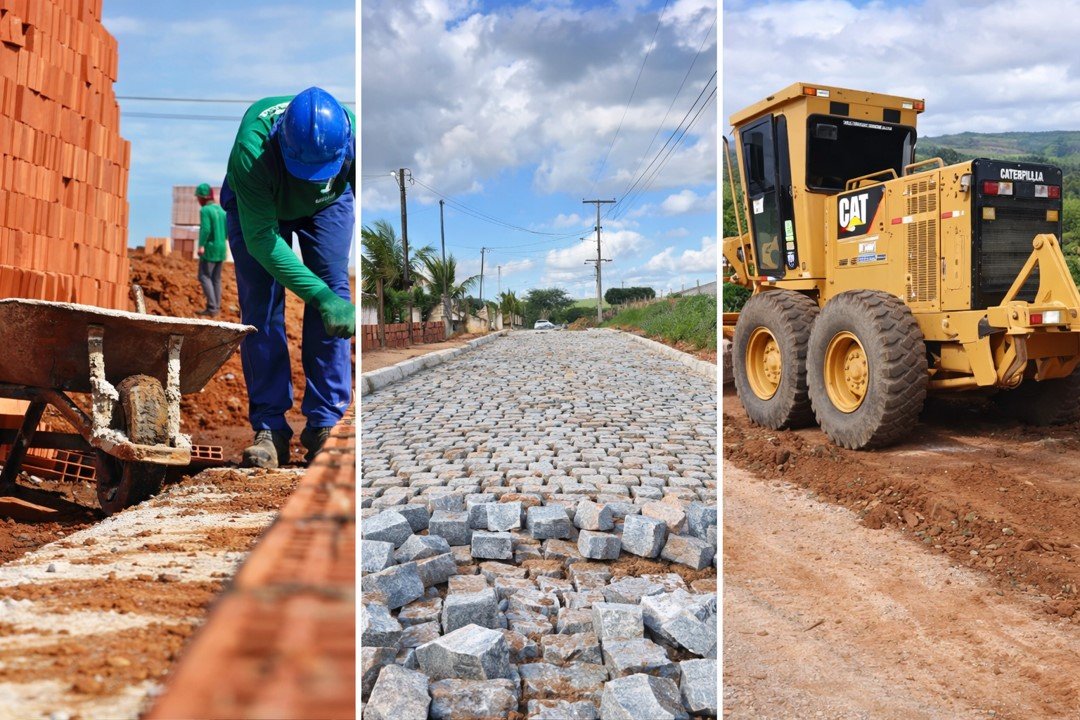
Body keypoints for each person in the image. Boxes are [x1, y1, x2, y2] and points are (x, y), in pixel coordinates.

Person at [220, 87, 356, 468]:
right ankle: (271, 428)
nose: (310, 179)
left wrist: (331, 296)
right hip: (259, 205)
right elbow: (263, 242)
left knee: (335, 296)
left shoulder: (352, 137)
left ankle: (325, 424)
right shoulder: (252, 152)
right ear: (281, 140)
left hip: (328, 204)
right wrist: (319, 296)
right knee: (260, 308)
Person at [195, 183, 227, 317]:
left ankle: (212, 308)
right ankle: (216, 307)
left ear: (202, 198)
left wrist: (201, 245)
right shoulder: (221, 210)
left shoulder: (205, 210)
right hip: (221, 247)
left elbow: (206, 229)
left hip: (210, 248)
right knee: (216, 279)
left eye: (198, 198)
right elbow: (227, 230)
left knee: (204, 276)